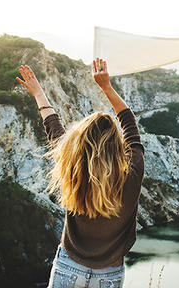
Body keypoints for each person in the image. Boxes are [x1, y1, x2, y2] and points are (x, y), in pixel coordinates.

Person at [16, 58, 144, 288]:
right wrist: (106, 86)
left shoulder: (72, 168)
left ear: (80, 144)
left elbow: (54, 129)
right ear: (117, 145)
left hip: (69, 266)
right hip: (110, 272)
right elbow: (130, 125)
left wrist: (39, 93)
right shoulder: (132, 174)